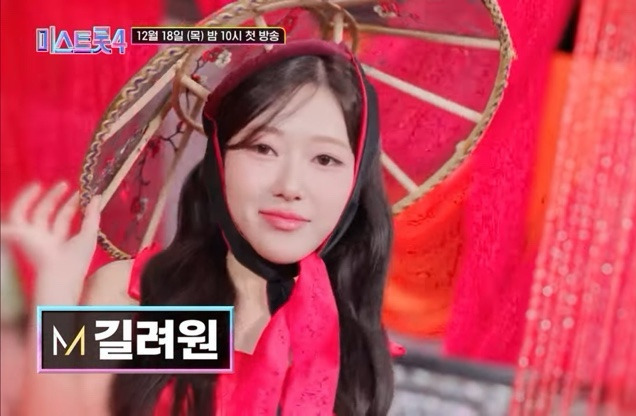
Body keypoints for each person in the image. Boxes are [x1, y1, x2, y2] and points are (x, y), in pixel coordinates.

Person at [0, 39, 399, 416]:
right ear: (220, 161)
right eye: (263, 148)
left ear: (356, 179)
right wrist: (55, 294)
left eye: (325, 159)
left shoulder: (350, 335)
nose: (291, 186)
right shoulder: (136, 298)